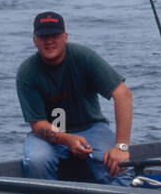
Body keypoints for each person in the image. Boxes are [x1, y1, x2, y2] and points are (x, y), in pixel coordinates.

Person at [16, 11, 134, 184]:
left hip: (91, 127)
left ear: (65, 37)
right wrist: (67, 139)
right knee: (36, 161)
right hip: (50, 134)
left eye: (54, 35)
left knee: (118, 165)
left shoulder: (84, 57)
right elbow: (37, 124)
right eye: (43, 36)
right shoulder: (27, 71)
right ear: (35, 41)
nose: (49, 41)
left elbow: (123, 95)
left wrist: (121, 147)